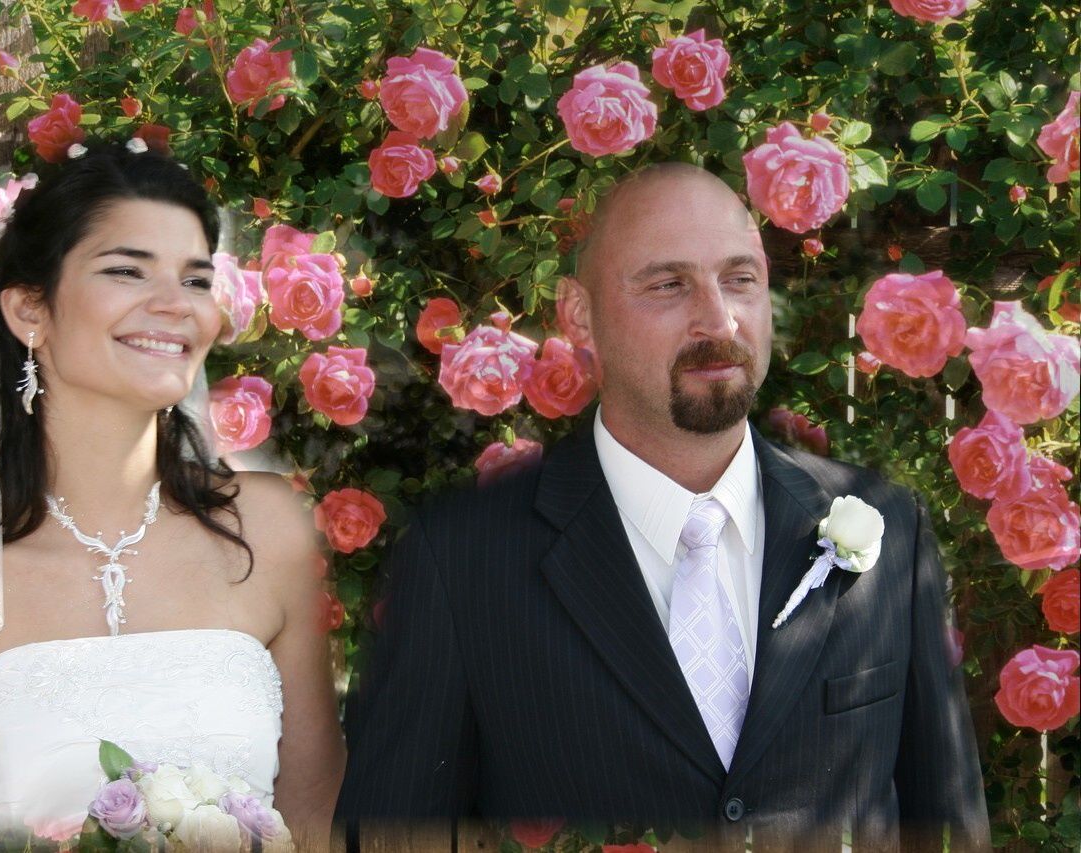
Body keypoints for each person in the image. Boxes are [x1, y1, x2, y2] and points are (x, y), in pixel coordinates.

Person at [337, 164, 990, 850]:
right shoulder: (461, 558)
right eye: (668, 284)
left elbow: (948, 822)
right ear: (579, 314)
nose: (719, 319)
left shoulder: (890, 528)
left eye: (740, 279)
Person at [0, 142, 345, 849]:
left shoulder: (268, 528)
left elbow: (313, 819)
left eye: (194, 279)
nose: (175, 305)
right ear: (30, 309)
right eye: (126, 270)